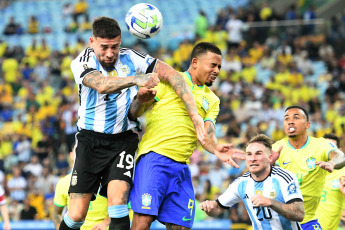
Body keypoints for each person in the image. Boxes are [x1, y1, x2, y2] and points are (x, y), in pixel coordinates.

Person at [58, 16, 205, 230]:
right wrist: (136, 79)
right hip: (89, 141)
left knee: (118, 204)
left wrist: (194, 114)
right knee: (76, 215)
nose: (110, 53)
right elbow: (100, 84)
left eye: (115, 46)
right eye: (104, 47)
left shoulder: (132, 58)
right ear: (92, 42)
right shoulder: (82, 61)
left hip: (123, 141)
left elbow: (174, 76)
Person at [128, 42, 244, 229]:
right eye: (213, 65)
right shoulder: (169, 81)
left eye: (219, 67)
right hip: (154, 158)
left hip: (181, 168)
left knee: (180, 226)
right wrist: (140, 100)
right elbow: (134, 113)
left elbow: (207, 134)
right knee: (142, 221)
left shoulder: (213, 100)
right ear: (195, 62)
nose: (217, 70)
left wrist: (216, 148)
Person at [200, 134, 304, 229]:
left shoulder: (284, 178)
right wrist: (210, 207)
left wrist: (270, 202)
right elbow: (218, 208)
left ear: (270, 157)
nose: (252, 159)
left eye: (258, 154)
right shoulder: (240, 183)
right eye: (249, 154)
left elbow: (299, 214)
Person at [272, 105, 345, 229]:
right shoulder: (277, 148)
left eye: (296, 117)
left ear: (307, 125)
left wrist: (331, 163)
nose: (290, 121)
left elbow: (340, 156)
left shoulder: (320, 145)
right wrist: (268, 164)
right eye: (286, 119)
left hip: (308, 221)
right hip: (281, 222)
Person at [53, 145, 110, 230]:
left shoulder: (106, 179)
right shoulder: (63, 182)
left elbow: (123, 206)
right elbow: (56, 213)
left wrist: (106, 222)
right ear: (72, 155)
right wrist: (59, 227)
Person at [316, 133, 345, 230]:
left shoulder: (343, 173)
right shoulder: (310, 169)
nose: (328, 153)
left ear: (340, 152)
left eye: (333, 151)